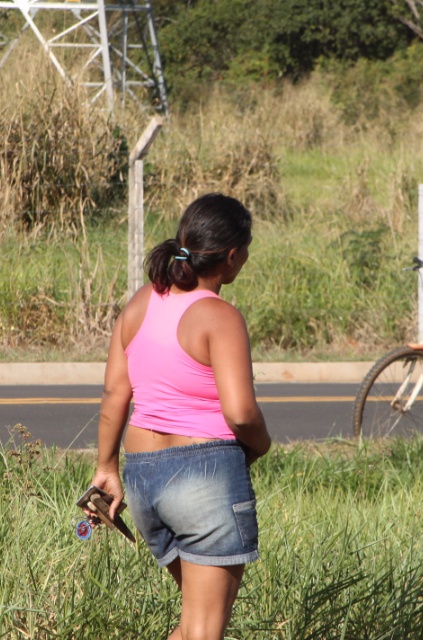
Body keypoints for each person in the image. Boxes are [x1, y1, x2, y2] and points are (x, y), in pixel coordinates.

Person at [87, 193, 272, 640]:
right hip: (203, 479)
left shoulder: (142, 303)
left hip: (144, 478)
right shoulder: (220, 316)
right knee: (204, 632)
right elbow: (241, 412)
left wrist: (106, 467)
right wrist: (262, 444)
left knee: (192, 627)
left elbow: (115, 393)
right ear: (231, 257)